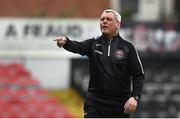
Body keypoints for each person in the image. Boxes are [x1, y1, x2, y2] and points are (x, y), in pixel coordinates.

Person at [54, 9, 145, 118]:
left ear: (118, 24)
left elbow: (138, 75)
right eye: (102, 19)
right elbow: (77, 46)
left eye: (109, 19)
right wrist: (66, 42)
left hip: (120, 104)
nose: (104, 21)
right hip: (95, 103)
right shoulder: (93, 44)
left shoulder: (128, 47)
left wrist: (134, 97)